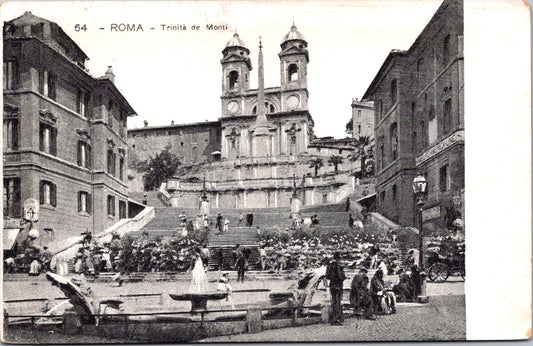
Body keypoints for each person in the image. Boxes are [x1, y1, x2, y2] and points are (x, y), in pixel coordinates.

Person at [325, 251, 345, 325]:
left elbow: (327, 276)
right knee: (338, 302)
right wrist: (343, 277)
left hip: (332, 285)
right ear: (338, 258)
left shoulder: (329, 265)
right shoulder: (338, 266)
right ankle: (336, 319)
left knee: (334, 302)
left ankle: (335, 318)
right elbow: (341, 276)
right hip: (338, 285)